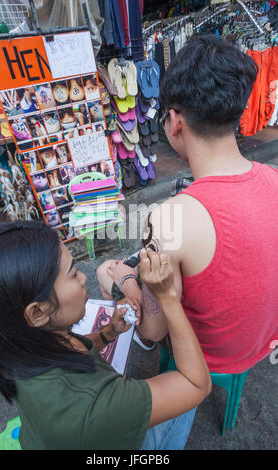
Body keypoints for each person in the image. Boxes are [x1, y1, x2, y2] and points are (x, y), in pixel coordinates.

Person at [97, 35, 278, 375]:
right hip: (263, 338)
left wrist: (125, 281)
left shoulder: (169, 218)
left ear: (175, 121)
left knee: (108, 273)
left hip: (208, 359)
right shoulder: (274, 176)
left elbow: (154, 330)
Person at [0, 221, 211, 450]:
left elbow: (73, 346)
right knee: (181, 391)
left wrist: (109, 332)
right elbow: (196, 384)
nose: (82, 279)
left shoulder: (13, 347)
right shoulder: (93, 406)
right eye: (73, 273)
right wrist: (167, 296)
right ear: (37, 312)